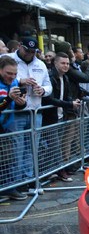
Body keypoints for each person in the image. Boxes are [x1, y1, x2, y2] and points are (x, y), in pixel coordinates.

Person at [8, 36, 52, 182]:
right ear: (20, 46)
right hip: (16, 112)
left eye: (33, 52)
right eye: (27, 51)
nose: (29, 54)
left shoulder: (40, 64)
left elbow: (49, 86)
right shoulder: (7, 59)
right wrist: (20, 81)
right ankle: (16, 182)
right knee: (17, 150)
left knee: (32, 148)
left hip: (35, 111)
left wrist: (43, 90)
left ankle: (28, 179)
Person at [41, 52, 82, 182]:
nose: (65, 66)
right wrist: (69, 103)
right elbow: (50, 99)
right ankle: (61, 170)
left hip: (60, 115)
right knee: (55, 145)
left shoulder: (65, 78)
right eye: (63, 63)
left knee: (54, 147)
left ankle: (45, 171)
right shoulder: (50, 77)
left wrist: (72, 102)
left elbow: (67, 95)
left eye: (68, 64)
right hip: (49, 117)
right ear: (55, 63)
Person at [0, 55, 28, 200]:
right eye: (8, 73)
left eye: (15, 74)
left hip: (7, 127)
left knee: (8, 159)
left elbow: (18, 107)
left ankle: (9, 188)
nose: (12, 77)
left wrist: (21, 103)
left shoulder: (15, 82)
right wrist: (9, 98)